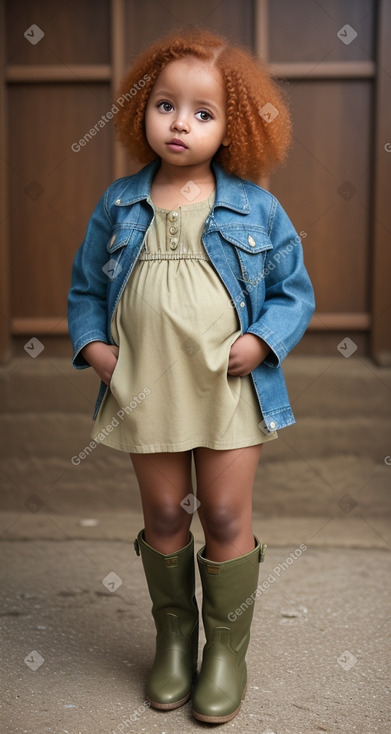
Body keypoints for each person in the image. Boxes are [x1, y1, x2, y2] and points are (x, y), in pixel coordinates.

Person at [68, 27, 315, 724]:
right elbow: (86, 290)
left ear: (234, 128)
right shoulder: (119, 204)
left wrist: (264, 341)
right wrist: (96, 349)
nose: (180, 123)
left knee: (227, 513)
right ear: (140, 111)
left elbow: (293, 291)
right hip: (145, 387)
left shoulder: (255, 209)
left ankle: (225, 653)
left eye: (203, 113)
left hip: (229, 388)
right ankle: (174, 640)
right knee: (164, 516)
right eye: (166, 106)